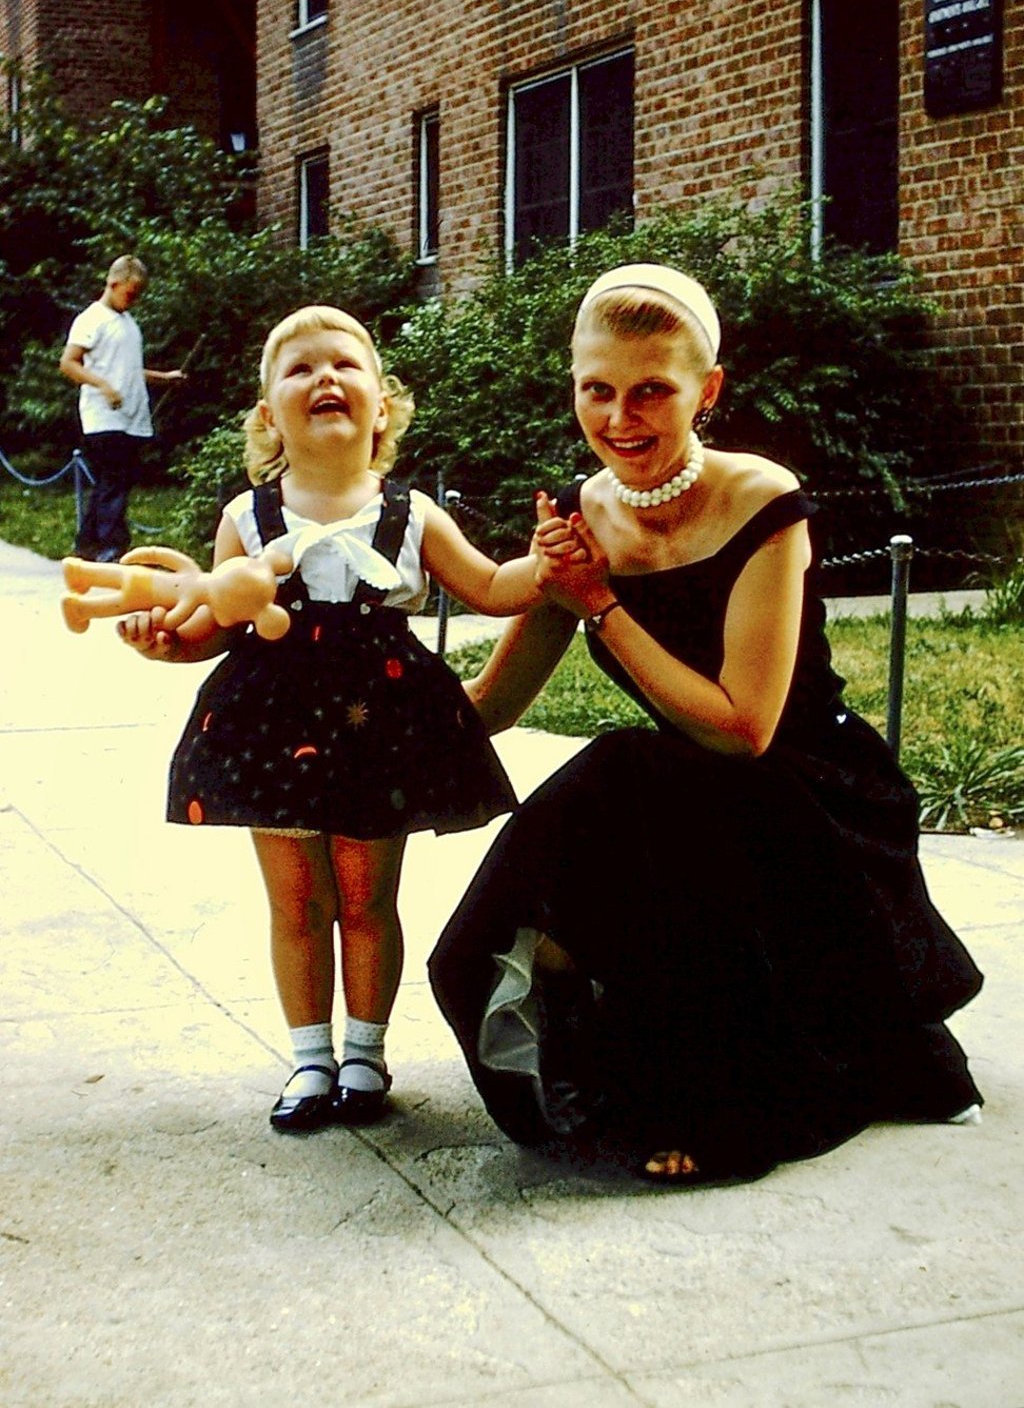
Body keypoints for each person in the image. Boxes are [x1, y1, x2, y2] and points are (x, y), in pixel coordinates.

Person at [428, 263, 984, 1187]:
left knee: (625, 765)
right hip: (679, 802)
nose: (620, 418)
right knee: (624, 785)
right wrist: (352, 730)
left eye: (652, 390)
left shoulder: (762, 499)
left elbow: (742, 730)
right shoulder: (583, 505)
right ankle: (581, 1006)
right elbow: (493, 697)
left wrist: (599, 602)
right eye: (596, 391)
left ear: (707, 391)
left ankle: (726, 1087)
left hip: (808, 797)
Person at [117, 304, 568, 1134]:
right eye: (300, 369)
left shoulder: (414, 513)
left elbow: (492, 587)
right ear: (268, 417)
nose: (325, 377)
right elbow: (214, 623)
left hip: (380, 729)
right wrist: (162, 641)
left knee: (367, 898)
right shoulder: (246, 519)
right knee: (296, 902)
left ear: (382, 406)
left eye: (346, 364)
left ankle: (365, 1053)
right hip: (269, 730)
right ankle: (309, 1058)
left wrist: (545, 562)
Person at [60, 254, 186, 562]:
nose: (133, 301)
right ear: (113, 283)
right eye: (129, 294)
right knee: (114, 480)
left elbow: (128, 370)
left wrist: (163, 377)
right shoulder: (92, 319)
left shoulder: (128, 323)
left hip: (131, 416)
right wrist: (103, 386)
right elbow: (68, 363)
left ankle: (86, 545)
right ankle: (112, 548)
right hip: (103, 416)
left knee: (111, 481)